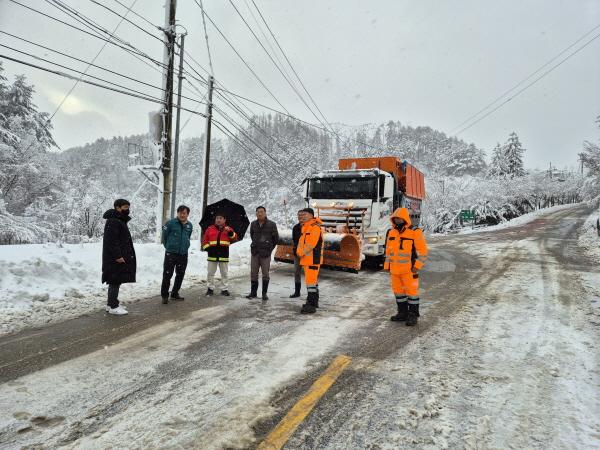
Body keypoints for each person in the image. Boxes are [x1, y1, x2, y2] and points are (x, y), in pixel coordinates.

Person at [384, 207, 429, 326]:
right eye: (395, 218)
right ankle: (402, 313)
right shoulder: (391, 232)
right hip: (394, 270)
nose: (397, 220)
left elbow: (423, 251)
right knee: (398, 292)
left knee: (412, 293)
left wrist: (417, 266)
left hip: (409, 270)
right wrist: (387, 266)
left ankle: (413, 315)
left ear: (404, 218)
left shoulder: (414, 231)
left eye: (399, 218)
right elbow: (388, 251)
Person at [101, 199, 136, 315]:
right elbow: (111, 241)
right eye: (125, 207)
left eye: (128, 207)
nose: (127, 209)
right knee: (114, 280)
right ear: (117, 207)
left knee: (116, 280)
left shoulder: (119, 220)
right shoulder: (114, 221)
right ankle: (112, 306)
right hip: (114, 258)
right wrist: (117, 256)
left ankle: (111, 303)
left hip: (117, 256)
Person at [160, 205, 193, 304]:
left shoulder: (189, 225)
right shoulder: (170, 223)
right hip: (171, 254)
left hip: (183, 254)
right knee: (167, 274)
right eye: (181, 213)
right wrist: (169, 247)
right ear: (177, 213)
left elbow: (188, 236)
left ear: (187, 214)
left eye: (185, 213)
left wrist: (185, 247)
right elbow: (164, 237)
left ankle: (174, 293)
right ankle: (164, 295)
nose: (182, 215)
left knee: (180, 274)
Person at [246, 206, 279, 300]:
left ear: (265, 213)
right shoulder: (253, 224)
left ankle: (264, 294)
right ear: (256, 213)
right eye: (258, 212)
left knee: (265, 274)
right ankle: (253, 293)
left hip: (266, 253)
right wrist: (256, 245)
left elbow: (275, 239)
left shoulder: (272, 224)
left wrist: (269, 248)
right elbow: (252, 235)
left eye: (261, 212)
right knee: (253, 273)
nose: (259, 213)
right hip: (255, 252)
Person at [202, 213, 237, 296]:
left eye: (220, 218)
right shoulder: (210, 229)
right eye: (217, 218)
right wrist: (208, 249)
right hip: (212, 255)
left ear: (224, 220)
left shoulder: (229, 229)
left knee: (224, 273)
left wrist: (230, 232)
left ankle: (224, 289)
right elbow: (204, 241)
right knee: (210, 273)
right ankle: (210, 288)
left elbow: (235, 238)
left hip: (223, 255)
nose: (218, 220)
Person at [296, 208, 324, 314]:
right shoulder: (305, 228)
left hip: (312, 260)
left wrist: (301, 252)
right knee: (312, 283)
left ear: (312, 216)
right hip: (307, 260)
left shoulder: (314, 228)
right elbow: (301, 243)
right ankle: (313, 302)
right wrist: (299, 252)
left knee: (311, 283)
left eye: (305, 215)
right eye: (301, 215)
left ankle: (311, 305)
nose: (302, 217)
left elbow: (311, 244)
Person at [289, 209, 305, 298]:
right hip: (297, 254)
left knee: (308, 275)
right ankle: (297, 292)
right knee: (296, 272)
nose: (300, 217)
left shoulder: (309, 227)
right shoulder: (295, 228)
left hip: (307, 254)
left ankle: (311, 293)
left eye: (302, 215)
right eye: (299, 215)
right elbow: (294, 240)